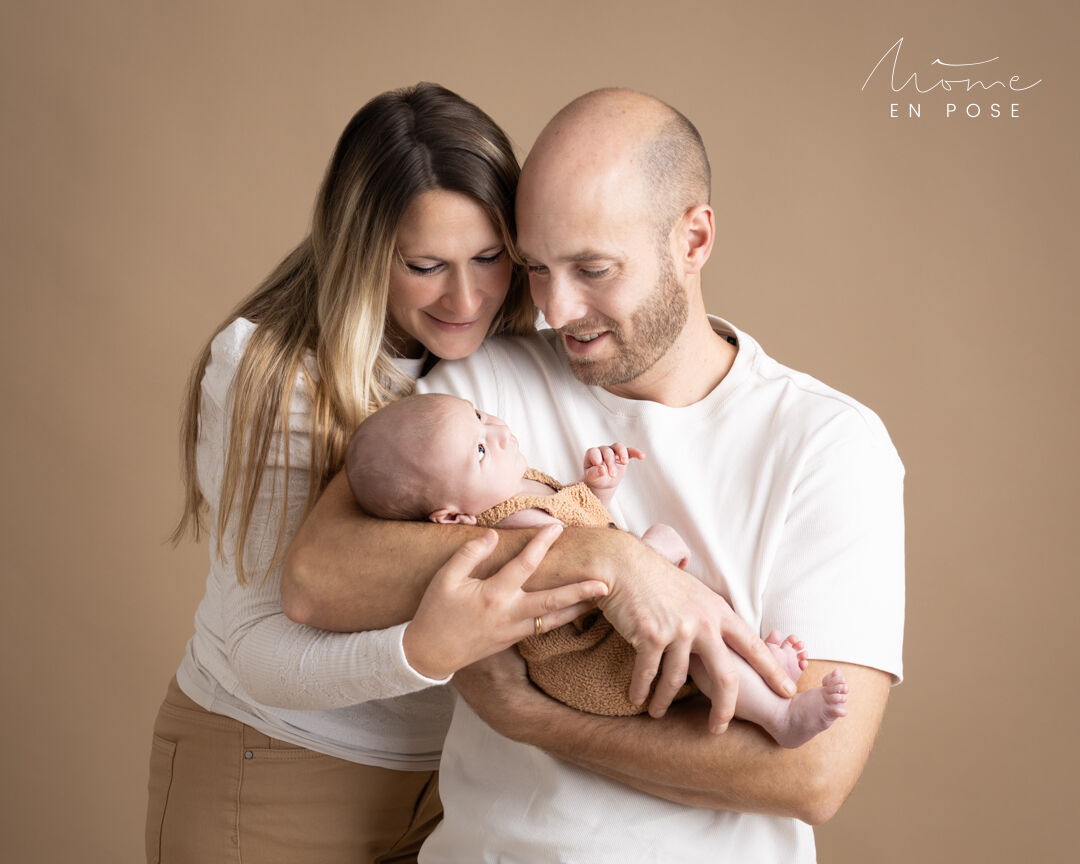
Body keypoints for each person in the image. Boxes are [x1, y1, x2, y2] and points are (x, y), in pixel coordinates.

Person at [283, 88, 904, 862]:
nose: (555, 309)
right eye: (536, 268)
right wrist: (606, 558)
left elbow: (812, 775)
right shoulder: (484, 389)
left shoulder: (828, 444)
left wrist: (534, 718)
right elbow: (318, 575)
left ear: (693, 239)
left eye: (593, 268)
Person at [145, 83, 614, 864]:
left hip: (455, 787)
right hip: (273, 765)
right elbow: (259, 649)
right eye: (425, 265)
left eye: (490, 258)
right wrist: (424, 649)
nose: (467, 297)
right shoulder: (273, 371)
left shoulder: (513, 351)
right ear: (362, 253)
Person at [345, 391, 850, 746]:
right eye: (479, 449)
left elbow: (579, 522)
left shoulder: (516, 482)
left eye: (479, 416)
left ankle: (755, 667)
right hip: (593, 655)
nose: (495, 431)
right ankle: (780, 716)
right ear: (453, 518)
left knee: (696, 621)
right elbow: (584, 576)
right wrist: (648, 555)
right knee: (693, 646)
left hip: (610, 623)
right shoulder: (505, 526)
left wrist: (597, 489)